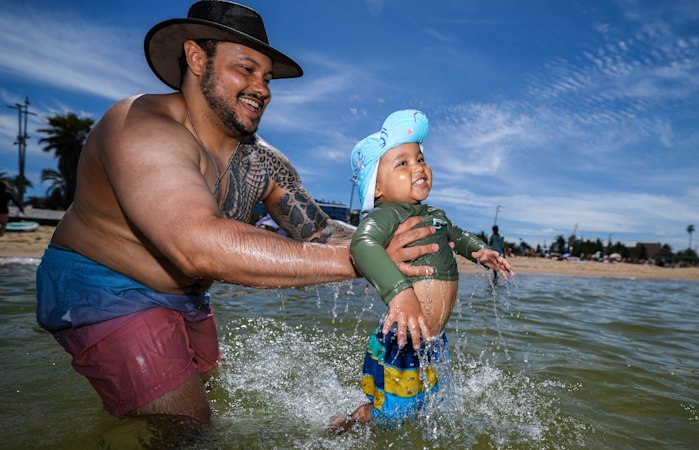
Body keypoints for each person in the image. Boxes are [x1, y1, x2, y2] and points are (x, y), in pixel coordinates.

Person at [35, 1, 438, 424]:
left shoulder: (264, 163)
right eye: (245, 69)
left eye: (266, 77)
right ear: (196, 58)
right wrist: (365, 260)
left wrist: (403, 234)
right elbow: (197, 246)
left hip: (188, 296)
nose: (261, 88)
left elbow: (319, 233)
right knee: (186, 426)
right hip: (102, 288)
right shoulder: (139, 126)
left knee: (214, 398)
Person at [330, 109, 513, 433]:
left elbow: (456, 235)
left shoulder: (436, 213)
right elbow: (362, 246)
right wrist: (400, 294)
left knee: (430, 403)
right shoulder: (385, 216)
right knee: (393, 417)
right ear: (377, 187)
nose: (418, 167)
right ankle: (349, 421)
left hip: (432, 338)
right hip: (405, 336)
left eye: (420, 158)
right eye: (402, 162)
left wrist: (480, 251)